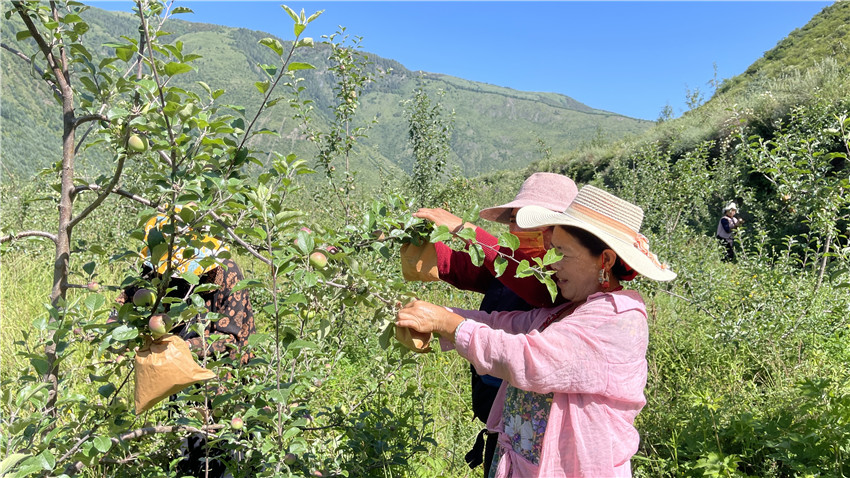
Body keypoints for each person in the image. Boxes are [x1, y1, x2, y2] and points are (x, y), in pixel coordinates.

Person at [396, 185, 676, 477]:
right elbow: (507, 325)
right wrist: (437, 318)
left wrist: (448, 324)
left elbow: (530, 358)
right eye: (552, 251)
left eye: (562, 253)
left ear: (604, 260)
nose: (552, 264)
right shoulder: (572, 307)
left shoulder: (616, 318)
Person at [409, 172, 577, 475]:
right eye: (514, 219)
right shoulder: (513, 266)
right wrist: (410, 240)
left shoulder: (562, 281)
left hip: (536, 437)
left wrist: (466, 230)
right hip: (504, 422)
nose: (517, 228)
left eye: (530, 220)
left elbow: (538, 290)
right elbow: (468, 268)